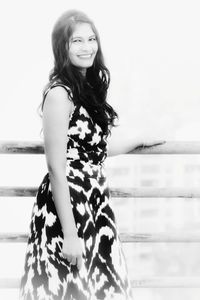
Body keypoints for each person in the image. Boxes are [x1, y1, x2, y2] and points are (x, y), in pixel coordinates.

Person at [19, 9, 164, 300]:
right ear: (63, 47)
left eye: (91, 39)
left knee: (102, 289)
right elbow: (57, 167)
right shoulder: (60, 94)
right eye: (77, 41)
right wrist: (70, 234)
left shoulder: (83, 89)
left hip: (95, 205)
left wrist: (137, 141)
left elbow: (92, 151)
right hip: (67, 210)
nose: (87, 47)